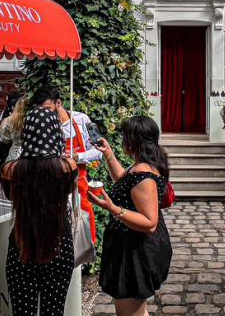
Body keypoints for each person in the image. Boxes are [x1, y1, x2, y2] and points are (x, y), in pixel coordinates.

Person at [87, 116, 173, 316]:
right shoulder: (143, 165)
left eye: (124, 136)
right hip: (133, 247)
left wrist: (113, 208)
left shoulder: (144, 173)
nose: (122, 140)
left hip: (135, 252)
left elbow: (149, 222)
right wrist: (108, 154)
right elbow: (125, 181)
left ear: (133, 141)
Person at [0, 106, 74, 316]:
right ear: (56, 133)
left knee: (22, 312)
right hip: (59, 245)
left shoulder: (9, 170)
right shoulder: (67, 167)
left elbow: (11, 196)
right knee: (54, 311)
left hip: (22, 244)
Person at [46, 88, 103, 242]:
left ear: (58, 103)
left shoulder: (81, 119)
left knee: (82, 231)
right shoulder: (44, 125)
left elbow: (99, 151)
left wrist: (77, 156)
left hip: (79, 185)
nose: (45, 115)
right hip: (52, 186)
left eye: (48, 109)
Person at [1, 96, 27, 162]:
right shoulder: (34, 119)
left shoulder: (9, 120)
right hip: (30, 154)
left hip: (14, 155)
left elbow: (5, 139)